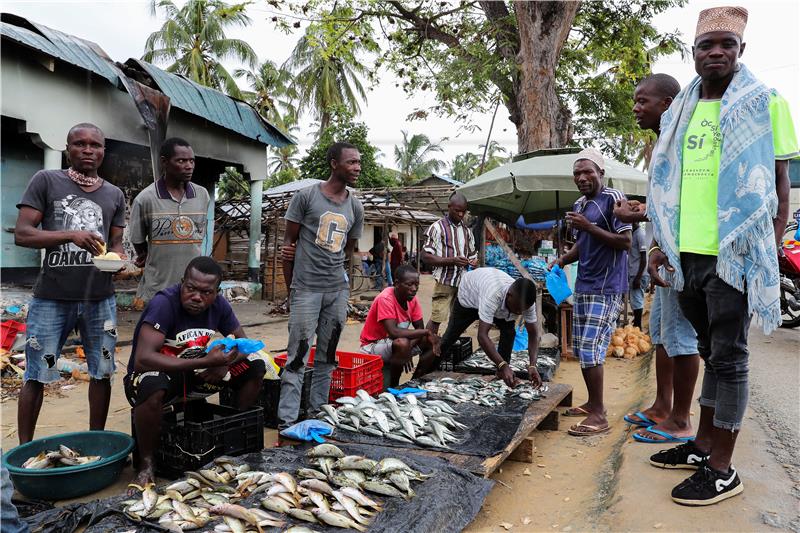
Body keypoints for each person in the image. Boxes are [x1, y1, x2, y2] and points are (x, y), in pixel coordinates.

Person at [647, 6, 796, 505]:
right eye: (706, 45)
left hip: (733, 252)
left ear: (741, 51)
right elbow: (665, 185)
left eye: (726, 45)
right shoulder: (679, 111)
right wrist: (655, 244)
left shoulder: (766, 103)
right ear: (693, 54)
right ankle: (703, 444)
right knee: (711, 353)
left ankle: (722, 468)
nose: (716, 52)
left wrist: (767, 251)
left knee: (730, 359)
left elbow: (779, 185)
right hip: (685, 253)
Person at [14, 123, 126, 444]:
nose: (88, 150)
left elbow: (116, 244)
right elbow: (23, 233)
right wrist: (70, 234)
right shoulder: (47, 181)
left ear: (104, 151)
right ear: (68, 149)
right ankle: (25, 450)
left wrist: (117, 260)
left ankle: (96, 441)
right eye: (80, 144)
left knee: (102, 372)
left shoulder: (114, 194)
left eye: (95, 145)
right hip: (52, 296)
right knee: (36, 375)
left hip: (100, 297)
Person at [124, 257, 266, 486]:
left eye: (206, 292)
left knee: (256, 366)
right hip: (148, 380)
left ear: (216, 292)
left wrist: (225, 362)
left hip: (194, 376)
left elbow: (244, 344)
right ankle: (146, 463)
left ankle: (233, 434)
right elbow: (143, 359)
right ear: (182, 283)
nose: (197, 297)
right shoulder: (164, 304)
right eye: (190, 288)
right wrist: (208, 361)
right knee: (153, 384)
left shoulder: (220, 305)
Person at [615, 74, 701, 446]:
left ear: (666, 104)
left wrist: (640, 215)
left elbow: (687, 202)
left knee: (682, 338)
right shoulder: (662, 145)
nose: (635, 108)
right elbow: (666, 204)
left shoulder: (682, 143)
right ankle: (662, 407)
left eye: (642, 101)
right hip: (662, 256)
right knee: (663, 334)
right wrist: (645, 210)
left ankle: (681, 420)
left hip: (680, 257)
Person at [279, 142, 364, 429]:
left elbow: (349, 249)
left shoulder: (355, 206)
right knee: (297, 357)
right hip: (306, 289)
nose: (357, 167)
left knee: (328, 357)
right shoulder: (305, 197)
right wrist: (293, 289)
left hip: (336, 291)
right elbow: (288, 245)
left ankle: (317, 415)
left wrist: (344, 285)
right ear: (333, 164)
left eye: (358, 162)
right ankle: (287, 421)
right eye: (351, 162)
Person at [554, 148, 631, 437]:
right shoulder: (580, 204)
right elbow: (580, 245)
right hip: (584, 284)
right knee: (581, 349)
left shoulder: (613, 199)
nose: (582, 177)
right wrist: (562, 259)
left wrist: (588, 226)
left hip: (607, 286)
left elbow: (624, 243)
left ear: (601, 173)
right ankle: (592, 403)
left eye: (588, 172)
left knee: (590, 348)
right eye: (577, 173)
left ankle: (599, 415)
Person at [130, 137, 211, 304]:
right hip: (158, 289)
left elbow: (199, 234)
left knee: (190, 330)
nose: (189, 166)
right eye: (181, 161)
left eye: (191, 161)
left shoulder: (202, 195)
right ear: (164, 162)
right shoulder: (145, 199)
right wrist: (148, 255)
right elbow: (138, 241)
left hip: (194, 289)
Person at [431, 267, 541, 387]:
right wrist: (503, 365)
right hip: (469, 296)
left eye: (522, 310)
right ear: (509, 296)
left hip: (494, 299)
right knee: (450, 337)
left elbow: (533, 333)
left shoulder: (526, 302)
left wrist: (532, 365)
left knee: (509, 333)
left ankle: (502, 375)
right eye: (517, 309)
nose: (519, 313)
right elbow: (482, 336)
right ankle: (426, 371)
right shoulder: (493, 295)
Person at [359, 265, 440, 388]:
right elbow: (394, 332)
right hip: (372, 347)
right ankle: (394, 386)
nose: (414, 289)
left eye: (416, 285)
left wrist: (409, 349)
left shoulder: (412, 299)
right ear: (397, 284)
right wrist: (410, 344)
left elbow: (419, 329)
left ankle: (415, 380)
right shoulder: (385, 299)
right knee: (402, 343)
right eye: (409, 285)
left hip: (395, 343)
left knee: (433, 340)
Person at [421, 192, 478, 335]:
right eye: (457, 210)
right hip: (444, 281)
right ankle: (427, 348)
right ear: (449, 207)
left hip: (463, 282)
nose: (460, 214)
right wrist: (452, 260)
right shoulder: (437, 228)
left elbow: (472, 255)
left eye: (463, 212)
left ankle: (448, 346)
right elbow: (426, 257)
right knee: (437, 318)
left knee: (458, 319)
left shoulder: (467, 231)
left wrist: (473, 261)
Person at [628, 222, 648, 329]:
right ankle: (636, 323)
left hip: (638, 274)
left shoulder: (640, 234)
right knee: (634, 300)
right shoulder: (633, 233)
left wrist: (638, 277)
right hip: (633, 273)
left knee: (637, 300)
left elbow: (644, 258)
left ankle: (638, 326)